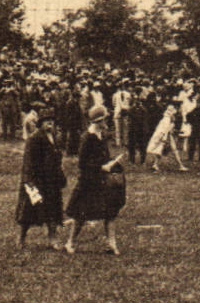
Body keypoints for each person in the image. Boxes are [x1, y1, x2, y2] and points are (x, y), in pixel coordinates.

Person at [63, 106, 125, 255]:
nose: (107, 122)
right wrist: (101, 167)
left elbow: (104, 156)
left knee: (110, 212)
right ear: (99, 120)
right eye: (105, 119)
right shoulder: (87, 137)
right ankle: (70, 242)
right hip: (89, 180)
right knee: (81, 214)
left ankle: (112, 244)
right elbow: (82, 164)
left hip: (103, 180)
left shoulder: (101, 134)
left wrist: (112, 163)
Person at [16, 108, 65, 249]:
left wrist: (60, 174)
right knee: (28, 211)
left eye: (52, 122)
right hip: (37, 179)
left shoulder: (54, 138)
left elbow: (57, 158)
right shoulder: (34, 138)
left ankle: (53, 239)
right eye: (47, 122)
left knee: (54, 210)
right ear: (40, 123)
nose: (50, 124)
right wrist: (28, 181)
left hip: (52, 180)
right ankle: (21, 238)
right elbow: (28, 161)